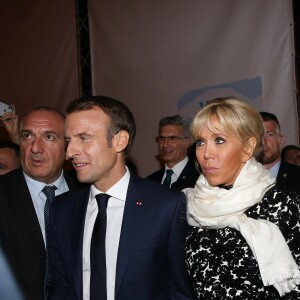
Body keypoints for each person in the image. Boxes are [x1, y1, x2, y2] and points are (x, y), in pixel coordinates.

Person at [48, 96, 193, 299]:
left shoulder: (166, 206)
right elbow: (60, 288)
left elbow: (180, 291)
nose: (70, 152)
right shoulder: (61, 210)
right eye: (68, 141)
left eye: (84, 138)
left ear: (119, 141)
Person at [184, 98, 300, 299]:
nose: (206, 153)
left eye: (219, 140)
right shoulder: (192, 206)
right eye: (201, 142)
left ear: (248, 148)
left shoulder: (284, 206)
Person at [0, 107, 85, 300]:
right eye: (28, 136)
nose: (36, 148)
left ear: (68, 147)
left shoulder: (89, 197)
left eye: (49, 137)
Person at [147, 115, 199, 191]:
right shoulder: (151, 181)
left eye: (172, 138)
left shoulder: (199, 179)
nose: (165, 145)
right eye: (162, 138)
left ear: (187, 142)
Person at [259, 111, 300, 193]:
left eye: (269, 135)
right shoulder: (238, 180)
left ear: (281, 141)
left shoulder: (297, 177)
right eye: (258, 135)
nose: (263, 141)